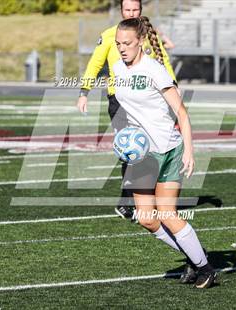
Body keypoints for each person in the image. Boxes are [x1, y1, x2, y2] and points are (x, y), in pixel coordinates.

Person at [110, 16, 218, 289]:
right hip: (143, 155)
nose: (122, 48)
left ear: (140, 42)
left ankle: (205, 268)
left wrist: (190, 151)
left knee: (168, 213)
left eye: (127, 43)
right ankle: (194, 260)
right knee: (146, 218)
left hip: (169, 149)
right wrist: (124, 138)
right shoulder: (116, 69)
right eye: (118, 43)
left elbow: (181, 112)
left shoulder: (154, 69)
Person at [76, 0, 178, 221]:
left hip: (150, 100)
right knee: (132, 148)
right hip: (120, 100)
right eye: (127, 10)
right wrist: (84, 92)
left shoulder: (149, 36)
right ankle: (127, 203)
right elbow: (95, 63)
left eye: (135, 9)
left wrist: (174, 88)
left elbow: (164, 62)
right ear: (121, 11)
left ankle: (144, 200)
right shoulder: (110, 35)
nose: (131, 13)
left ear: (141, 11)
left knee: (154, 147)